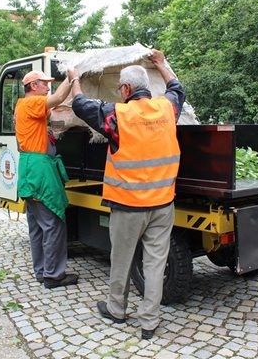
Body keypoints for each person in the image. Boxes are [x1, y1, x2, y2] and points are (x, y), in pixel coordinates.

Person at [68, 50, 185, 340]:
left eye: (121, 87)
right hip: (162, 204)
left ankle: (117, 309)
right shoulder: (166, 109)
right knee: (155, 264)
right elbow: (177, 89)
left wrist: (74, 80)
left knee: (121, 260)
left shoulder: (117, 115)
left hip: (128, 206)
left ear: (126, 89)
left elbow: (81, 105)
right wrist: (161, 63)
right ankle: (149, 321)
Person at [15, 70, 78, 289]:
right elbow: (59, 98)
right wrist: (73, 77)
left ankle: (42, 271)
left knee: (38, 226)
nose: (48, 87)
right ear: (33, 86)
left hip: (30, 170)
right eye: (45, 84)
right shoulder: (31, 103)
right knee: (53, 224)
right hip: (39, 171)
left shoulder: (26, 107)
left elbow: (54, 116)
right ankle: (53, 275)